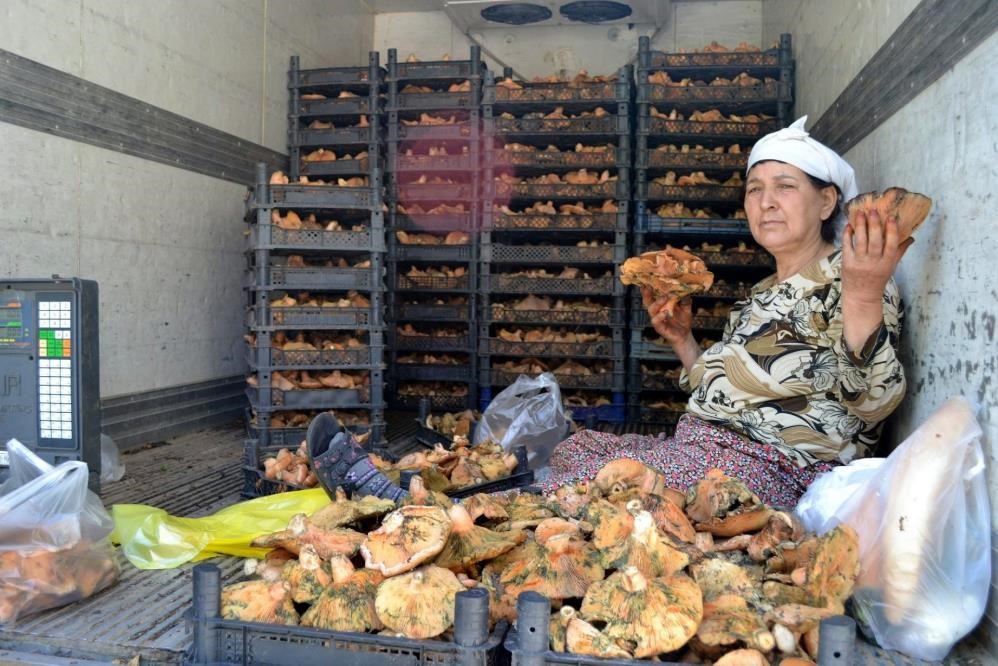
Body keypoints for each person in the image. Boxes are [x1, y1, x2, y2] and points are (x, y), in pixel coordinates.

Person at [541, 116, 911, 506]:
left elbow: (873, 405)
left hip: (773, 468)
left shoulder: (855, 277)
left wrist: (865, 296)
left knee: (580, 492)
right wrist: (683, 341)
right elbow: (728, 394)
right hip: (707, 448)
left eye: (784, 187)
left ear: (826, 201)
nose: (766, 202)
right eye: (754, 190)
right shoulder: (760, 295)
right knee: (576, 450)